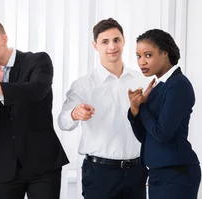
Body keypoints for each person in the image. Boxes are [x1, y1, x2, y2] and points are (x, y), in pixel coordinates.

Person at [0, 19, 69, 199]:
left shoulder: (37, 60)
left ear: (4, 39)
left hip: (43, 164)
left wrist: (0, 87)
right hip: (5, 166)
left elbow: (37, 91)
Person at [58, 18, 149, 199]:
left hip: (137, 171)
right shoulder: (83, 85)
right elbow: (63, 122)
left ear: (123, 41)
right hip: (100, 173)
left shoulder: (142, 80)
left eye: (116, 40)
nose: (112, 46)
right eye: (105, 42)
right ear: (95, 45)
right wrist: (75, 113)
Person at [127, 29, 201, 199]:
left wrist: (144, 107)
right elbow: (145, 136)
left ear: (164, 53)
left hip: (176, 174)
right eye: (138, 56)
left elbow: (162, 134)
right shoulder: (159, 86)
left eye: (148, 55)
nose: (141, 62)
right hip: (159, 172)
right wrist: (134, 109)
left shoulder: (178, 85)